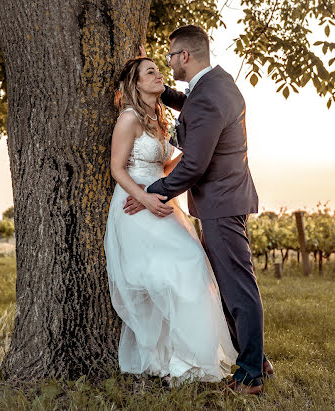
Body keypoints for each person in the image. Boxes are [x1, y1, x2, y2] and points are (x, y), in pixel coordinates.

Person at [124, 25, 272, 394]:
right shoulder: (214, 85)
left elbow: (193, 166)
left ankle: (251, 373)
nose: (167, 62)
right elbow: (190, 104)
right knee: (231, 285)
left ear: (185, 57)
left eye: (170, 56)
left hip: (221, 203)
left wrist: (149, 194)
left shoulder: (208, 96)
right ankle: (257, 359)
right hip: (228, 199)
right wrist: (157, 88)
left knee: (237, 289)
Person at [103, 56, 237, 386]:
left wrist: (195, 150)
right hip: (135, 205)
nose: (158, 75)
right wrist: (145, 197)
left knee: (190, 265)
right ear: (136, 84)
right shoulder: (129, 119)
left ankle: (190, 360)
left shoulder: (159, 118)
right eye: (150, 72)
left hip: (161, 200)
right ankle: (163, 360)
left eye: (159, 70)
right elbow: (117, 168)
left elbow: (164, 167)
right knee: (163, 275)